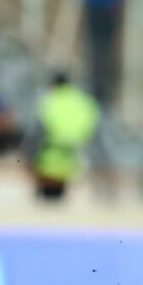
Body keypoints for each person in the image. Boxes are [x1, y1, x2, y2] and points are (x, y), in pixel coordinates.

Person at [31, 72, 99, 200]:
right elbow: (93, 123)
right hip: (75, 155)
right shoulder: (82, 100)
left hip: (50, 156)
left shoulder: (49, 100)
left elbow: (39, 128)